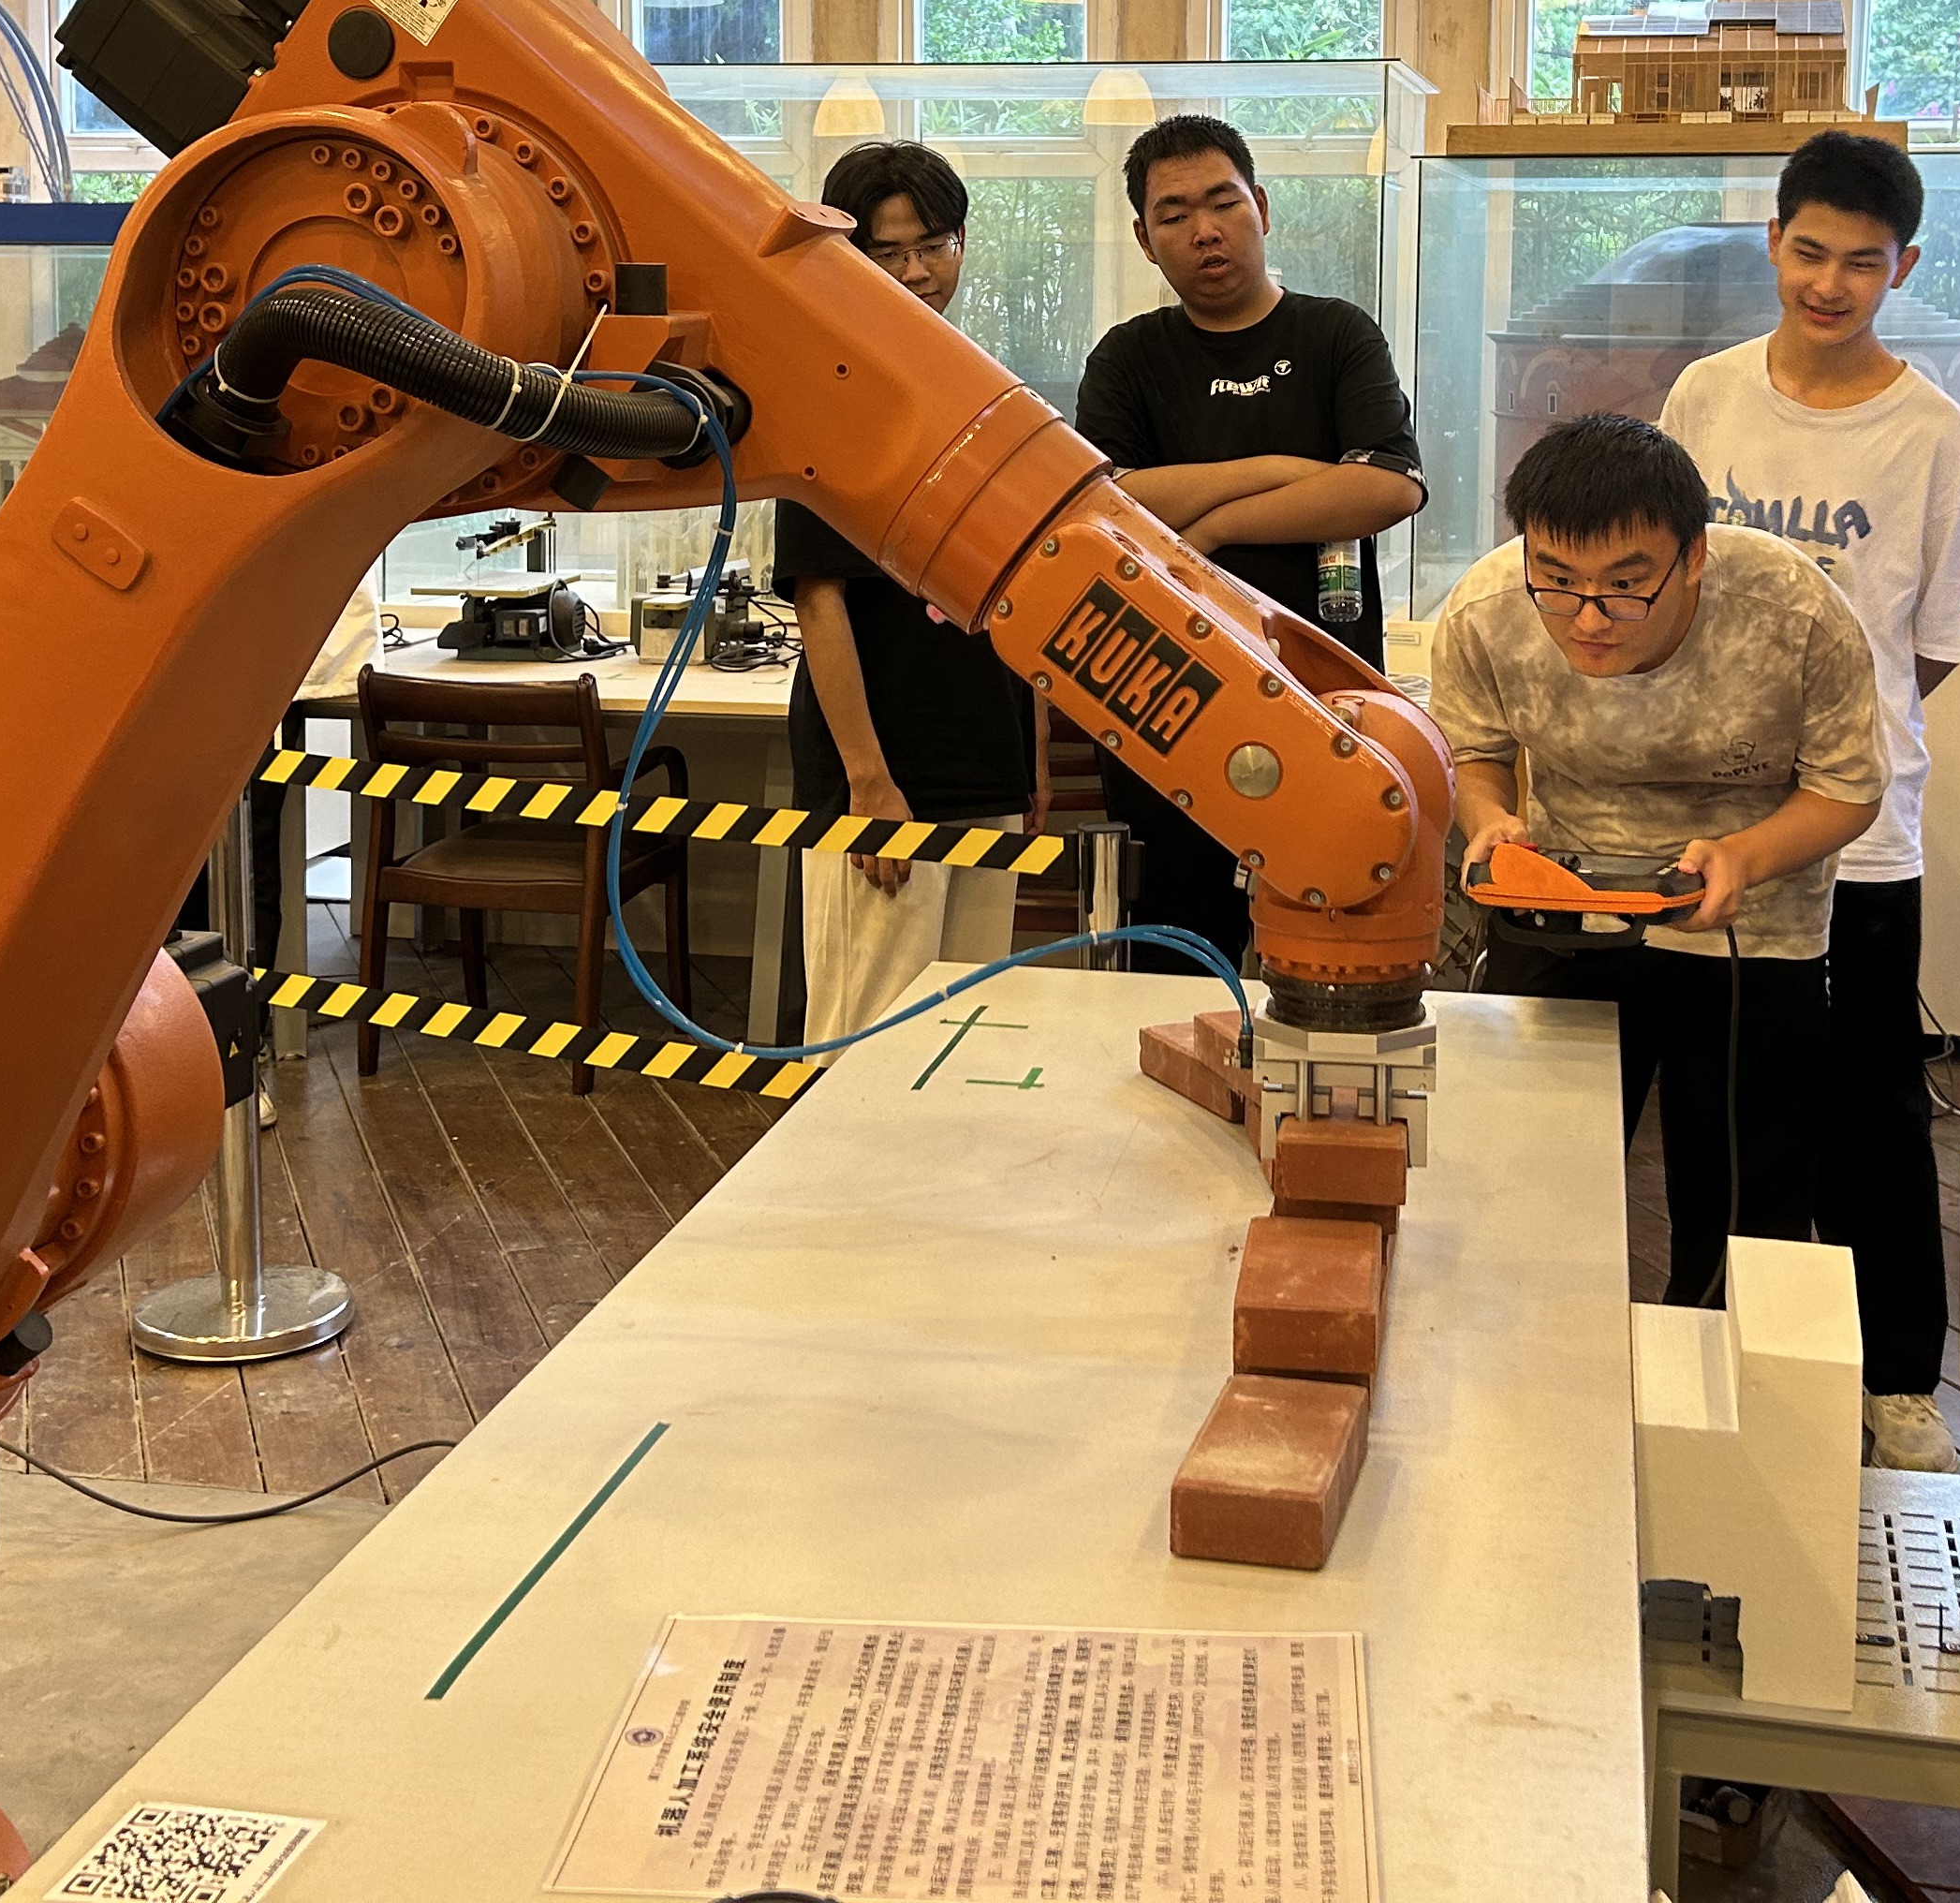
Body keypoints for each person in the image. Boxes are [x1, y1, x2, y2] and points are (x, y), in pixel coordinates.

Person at [1658, 130, 1960, 1474]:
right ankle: (1712, 1347)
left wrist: (1845, 747)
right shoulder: (1706, 395)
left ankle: (1899, 1376)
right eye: (1809, 252)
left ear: (1901, 268)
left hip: (1863, 840)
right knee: (1726, 1110)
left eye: (1862, 261)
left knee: (1874, 1111)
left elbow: (1928, 649)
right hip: (1713, 832)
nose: (1830, 283)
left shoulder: (1935, 432)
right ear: (1773, 245)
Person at [1436, 413, 1883, 1310]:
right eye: (1557, 582)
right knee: (1530, 1181)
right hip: (1562, 904)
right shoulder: (1486, 610)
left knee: (1745, 1215)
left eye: (1625, 586)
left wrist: (1744, 856)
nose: (1589, 617)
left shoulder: (1794, 612)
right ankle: (1547, 1362)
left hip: (1752, 923)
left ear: (1694, 556)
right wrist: (1490, 820)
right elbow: (1472, 751)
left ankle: (1716, 1374)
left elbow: (1848, 788)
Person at [1073, 114, 1424, 972]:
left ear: (1261, 208)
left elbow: (1387, 487)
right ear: (1145, 240)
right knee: (1177, 957)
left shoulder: (1336, 335)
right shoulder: (1127, 358)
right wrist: (1280, 470)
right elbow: (1108, 502)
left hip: (1326, 700)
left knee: (1329, 955)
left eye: (1223, 202)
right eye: (1175, 214)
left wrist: (1217, 525)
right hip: (1169, 701)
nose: (1205, 230)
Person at [778, 144, 1039, 1041]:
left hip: (983, 759)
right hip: (885, 778)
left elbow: (1018, 593)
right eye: (887, 252)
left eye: (933, 245)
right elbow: (820, 602)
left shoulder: (981, 387)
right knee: (865, 1035)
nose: (917, 272)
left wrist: (1027, 762)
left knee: (966, 1032)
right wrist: (868, 783)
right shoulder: (825, 395)